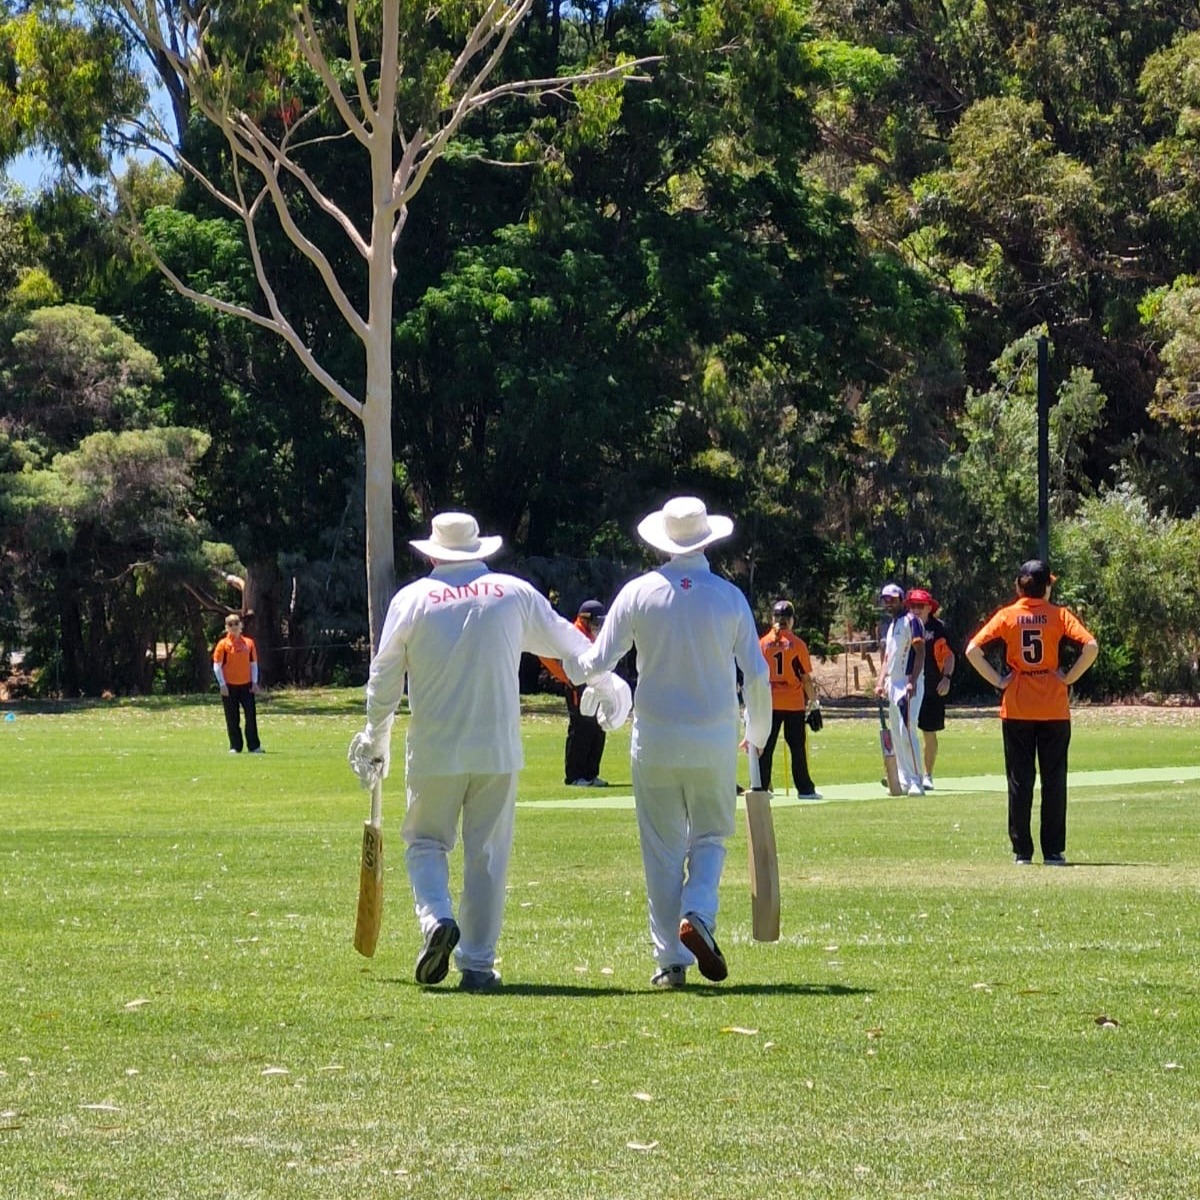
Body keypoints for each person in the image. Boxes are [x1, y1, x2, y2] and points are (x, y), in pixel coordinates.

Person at [347, 512, 629, 992]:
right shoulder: (511, 593)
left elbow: (384, 678)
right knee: (488, 854)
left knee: (425, 842)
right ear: (479, 550)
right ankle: (477, 962)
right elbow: (570, 645)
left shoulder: (412, 601)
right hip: (497, 746)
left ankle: (436, 918)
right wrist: (607, 681)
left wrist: (377, 736)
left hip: (435, 748)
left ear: (432, 552)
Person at [564, 497, 772, 989]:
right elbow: (757, 675)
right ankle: (698, 910)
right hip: (714, 739)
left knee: (661, 849)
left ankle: (669, 961)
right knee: (711, 836)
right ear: (706, 540)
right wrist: (757, 735)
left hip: (655, 739)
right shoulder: (728, 597)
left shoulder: (639, 593)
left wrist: (576, 670)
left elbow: (596, 661)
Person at [964, 559, 1098, 866]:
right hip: (1053, 707)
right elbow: (1090, 646)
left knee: (1020, 780)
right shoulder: (1059, 615)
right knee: (1054, 780)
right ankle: (1053, 851)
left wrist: (999, 680)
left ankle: (1022, 851)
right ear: (1047, 587)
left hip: (1017, 707)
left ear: (1017, 586)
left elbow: (973, 650)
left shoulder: (1007, 615)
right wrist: (1070, 676)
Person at [539, 600, 609, 787]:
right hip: (576, 686)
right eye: (595, 621)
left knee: (598, 727)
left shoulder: (594, 637)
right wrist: (565, 678)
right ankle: (575, 776)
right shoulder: (571, 633)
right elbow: (545, 655)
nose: (598, 626)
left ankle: (591, 774)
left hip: (596, 685)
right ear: (584, 619)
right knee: (581, 728)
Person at [758, 599, 821, 799]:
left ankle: (761, 786)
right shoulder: (798, 645)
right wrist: (814, 704)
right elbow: (805, 678)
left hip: (770, 702)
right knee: (797, 747)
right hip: (793, 703)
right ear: (791, 620)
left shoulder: (763, 643)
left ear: (773, 619)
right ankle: (804, 789)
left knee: (766, 747)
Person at [874, 582, 925, 796]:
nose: (889, 603)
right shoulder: (893, 624)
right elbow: (888, 657)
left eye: (892, 599)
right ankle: (903, 779)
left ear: (902, 600)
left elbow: (920, 652)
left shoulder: (912, 621)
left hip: (907, 683)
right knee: (896, 733)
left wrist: (912, 680)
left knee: (907, 730)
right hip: (893, 684)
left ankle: (916, 781)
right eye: (886, 600)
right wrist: (880, 681)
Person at [906, 588, 956, 791]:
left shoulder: (939, 628)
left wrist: (947, 678)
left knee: (929, 732)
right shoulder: (904, 625)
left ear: (929, 608)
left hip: (932, 687)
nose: (916, 609)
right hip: (909, 686)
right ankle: (907, 773)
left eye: (920, 605)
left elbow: (949, 656)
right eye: (913, 605)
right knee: (904, 732)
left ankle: (927, 775)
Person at [212, 613, 263, 754]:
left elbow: (253, 664)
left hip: (246, 685)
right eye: (230, 624)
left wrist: (254, 682)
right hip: (229, 686)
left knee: (250, 716)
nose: (234, 627)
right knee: (232, 717)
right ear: (226, 627)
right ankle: (235, 746)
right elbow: (217, 665)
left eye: (236, 624)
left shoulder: (249, 643)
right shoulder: (223, 644)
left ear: (241, 625)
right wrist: (222, 684)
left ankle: (254, 746)